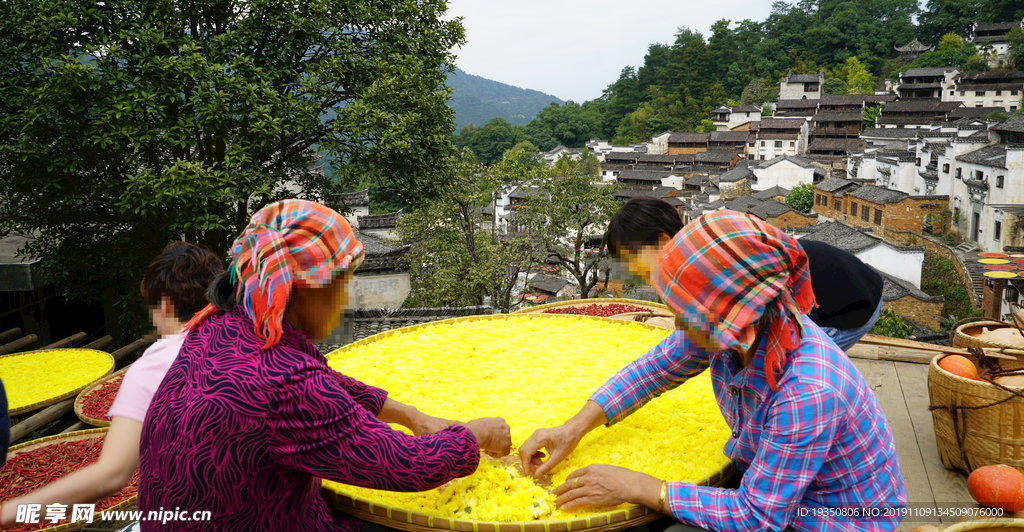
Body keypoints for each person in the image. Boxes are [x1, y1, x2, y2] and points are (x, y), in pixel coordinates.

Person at [520, 210, 906, 531]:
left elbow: (759, 516)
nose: (677, 327)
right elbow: (649, 372)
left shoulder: (808, 390)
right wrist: (572, 429)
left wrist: (642, 487)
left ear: (728, 314)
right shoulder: (741, 328)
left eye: (684, 314)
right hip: (785, 488)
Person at [137, 200, 511, 531]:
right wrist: (477, 433)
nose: (345, 298)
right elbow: (407, 464)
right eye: (342, 282)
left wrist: (408, 414)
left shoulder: (218, 327)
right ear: (300, 290)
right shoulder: (286, 383)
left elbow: (323, 380)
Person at [0, 242, 223, 527]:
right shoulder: (258, 340)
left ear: (165, 305)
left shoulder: (157, 365)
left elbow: (112, 475)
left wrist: (8, 513)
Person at [604, 197, 884, 351]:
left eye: (631, 258)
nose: (630, 270)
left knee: (789, 363)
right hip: (839, 285)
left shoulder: (714, 266)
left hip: (852, 302)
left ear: (662, 241)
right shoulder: (698, 257)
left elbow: (752, 338)